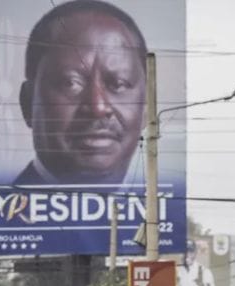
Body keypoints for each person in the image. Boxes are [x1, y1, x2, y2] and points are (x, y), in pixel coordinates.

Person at [15, 0, 148, 185]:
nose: (98, 107)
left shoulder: (160, 209)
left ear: (146, 109)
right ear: (28, 103)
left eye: (118, 84)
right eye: (71, 83)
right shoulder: (3, 211)